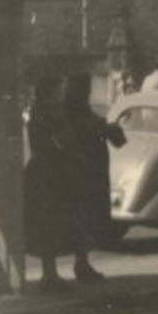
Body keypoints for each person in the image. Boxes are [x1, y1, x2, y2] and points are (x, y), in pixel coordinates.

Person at [61, 72, 126, 284]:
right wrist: (107, 128)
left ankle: (82, 261)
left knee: (84, 217)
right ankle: (81, 262)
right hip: (85, 172)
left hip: (84, 172)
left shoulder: (75, 111)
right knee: (84, 216)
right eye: (85, 88)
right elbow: (89, 129)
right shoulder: (76, 113)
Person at [23, 76, 75, 291]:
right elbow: (63, 140)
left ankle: (50, 271)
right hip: (50, 171)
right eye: (58, 89)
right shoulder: (49, 114)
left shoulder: (38, 111)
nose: (61, 93)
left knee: (47, 223)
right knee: (50, 222)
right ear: (50, 91)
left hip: (40, 170)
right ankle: (49, 274)